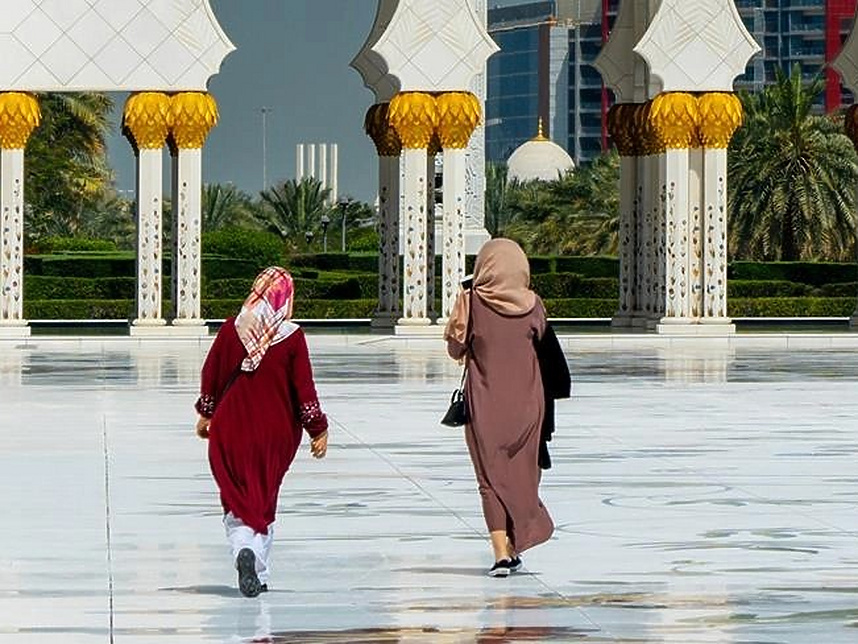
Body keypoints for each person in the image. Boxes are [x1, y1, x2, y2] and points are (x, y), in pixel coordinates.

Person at [195, 267, 329, 597]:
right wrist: (318, 428)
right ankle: (258, 566)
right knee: (264, 495)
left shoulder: (233, 329)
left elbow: (212, 374)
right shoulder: (293, 337)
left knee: (236, 496)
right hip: (275, 432)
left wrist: (206, 414)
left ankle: (244, 547)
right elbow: (304, 389)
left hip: (231, 428)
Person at [444, 239, 554, 578]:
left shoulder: (472, 302)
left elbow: (455, 349)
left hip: (486, 405)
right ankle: (517, 541)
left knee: (489, 479)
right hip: (528, 407)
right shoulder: (533, 304)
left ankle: (501, 553)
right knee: (522, 475)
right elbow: (543, 341)